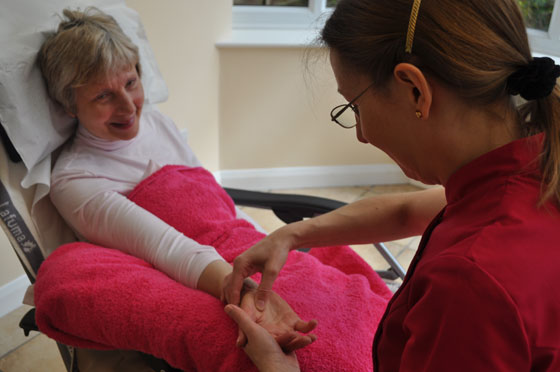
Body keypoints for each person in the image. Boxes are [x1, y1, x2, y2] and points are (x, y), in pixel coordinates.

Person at [34, 7, 393, 372]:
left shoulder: (156, 122)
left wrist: (266, 251)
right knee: (322, 355)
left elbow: (211, 199)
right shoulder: (75, 181)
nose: (128, 107)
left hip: (245, 252)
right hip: (209, 279)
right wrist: (255, 295)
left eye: (130, 83)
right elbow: (166, 248)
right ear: (69, 104)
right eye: (102, 96)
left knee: (371, 316)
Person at [224, 0, 560, 371]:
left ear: (414, 89)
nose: (362, 135)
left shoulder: (468, 282)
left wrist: (277, 369)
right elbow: (406, 211)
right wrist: (290, 236)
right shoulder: (538, 170)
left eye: (354, 106)